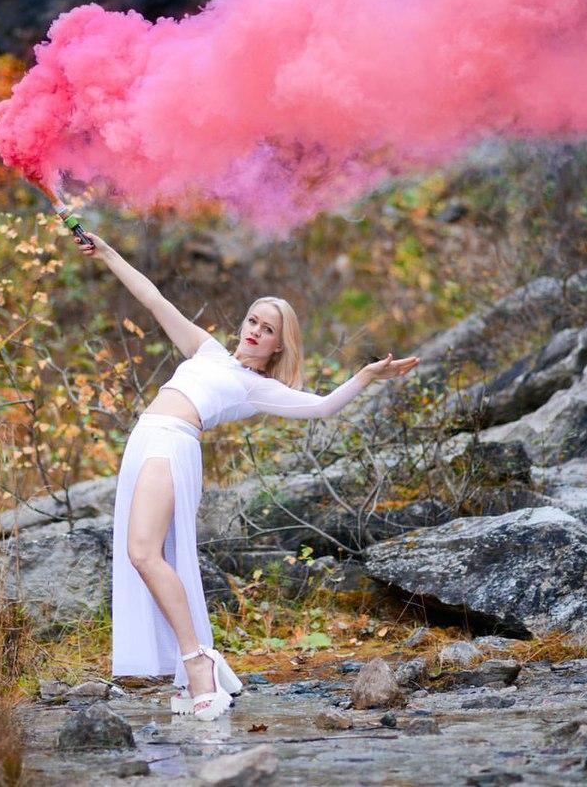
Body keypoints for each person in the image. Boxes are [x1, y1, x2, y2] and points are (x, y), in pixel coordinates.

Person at [74, 230, 420, 721]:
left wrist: (365, 376)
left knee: (144, 553)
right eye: (253, 320)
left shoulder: (257, 387)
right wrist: (108, 253)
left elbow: (322, 407)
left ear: (279, 345)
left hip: (172, 442)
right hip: (143, 439)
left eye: (268, 329)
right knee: (144, 554)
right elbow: (154, 299)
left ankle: (197, 663)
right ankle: (194, 664)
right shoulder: (208, 350)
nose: (255, 331)